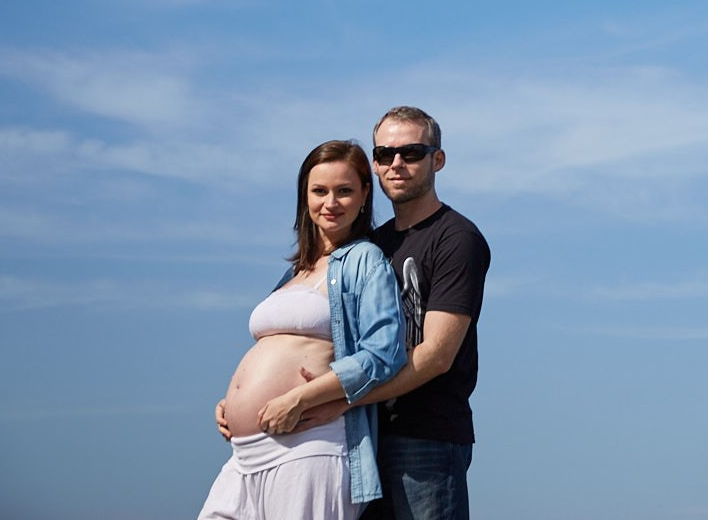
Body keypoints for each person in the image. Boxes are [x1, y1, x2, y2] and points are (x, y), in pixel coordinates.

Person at [202, 140, 406, 520]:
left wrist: (299, 398)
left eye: (344, 191)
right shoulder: (295, 272)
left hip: (310, 447)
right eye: (319, 191)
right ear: (304, 197)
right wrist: (232, 402)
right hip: (247, 453)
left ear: (365, 195)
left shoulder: (364, 259)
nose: (331, 202)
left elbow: (384, 352)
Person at [352, 106, 493, 520]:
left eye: (411, 153)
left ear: (438, 160)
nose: (396, 164)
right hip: (366, 436)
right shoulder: (368, 247)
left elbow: (436, 355)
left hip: (428, 437)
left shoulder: (457, 239)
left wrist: (342, 398)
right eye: (384, 154)